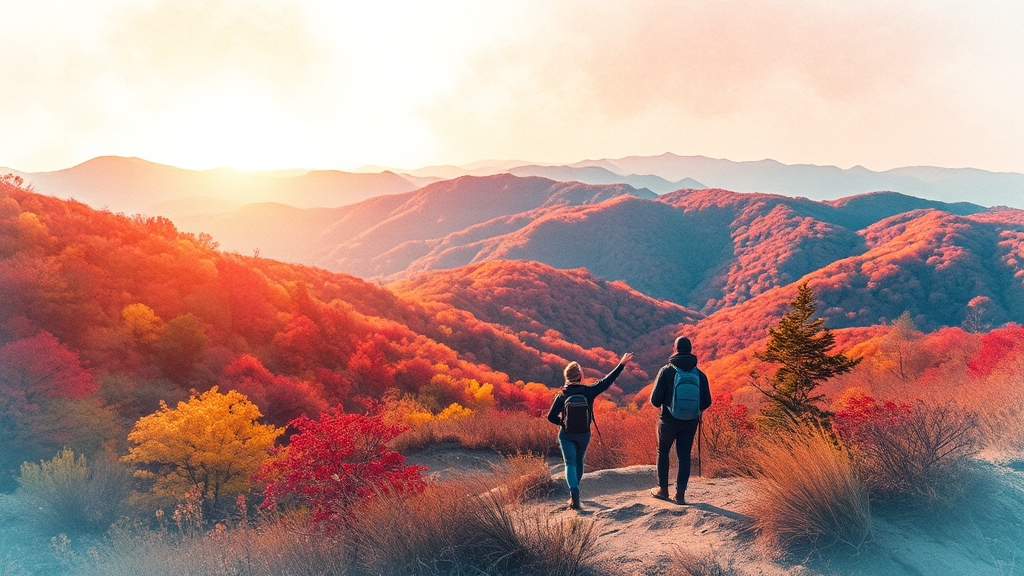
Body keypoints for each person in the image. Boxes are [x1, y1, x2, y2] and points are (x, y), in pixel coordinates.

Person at [547, 352, 633, 510]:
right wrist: (621, 364)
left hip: (566, 435)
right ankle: (576, 491)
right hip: (584, 434)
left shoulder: (561, 396)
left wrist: (563, 423)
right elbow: (606, 381)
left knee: (569, 464)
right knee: (579, 462)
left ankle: (574, 493)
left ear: (567, 377)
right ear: (581, 376)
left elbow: (551, 417)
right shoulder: (588, 392)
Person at [649, 336, 712, 505]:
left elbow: (655, 400)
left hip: (668, 420)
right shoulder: (699, 374)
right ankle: (680, 495)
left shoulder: (666, 371)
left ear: (674, 349)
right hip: (690, 422)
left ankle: (663, 490)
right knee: (684, 457)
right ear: (690, 351)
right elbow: (707, 401)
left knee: (663, 451)